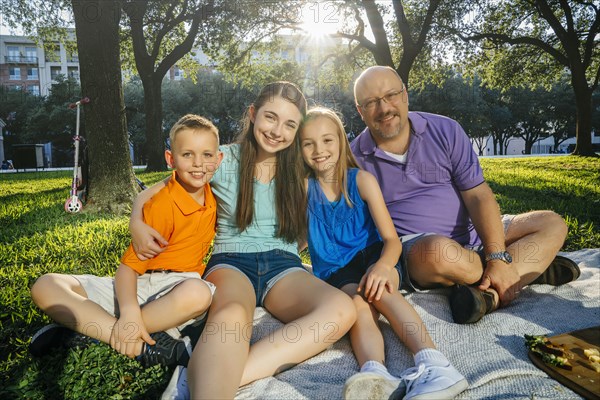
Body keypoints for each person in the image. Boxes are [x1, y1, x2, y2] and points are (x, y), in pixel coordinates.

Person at [129, 82, 356, 399]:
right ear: (253, 114)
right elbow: (153, 193)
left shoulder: (301, 170)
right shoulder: (222, 160)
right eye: (270, 118)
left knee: (342, 309)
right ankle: (211, 385)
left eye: (290, 124)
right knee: (232, 316)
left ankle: (211, 373)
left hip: (284, 266)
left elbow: (312, 225)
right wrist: (137, 223)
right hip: (231, 262)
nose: (277, 130)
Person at [350, 66, 580, 324]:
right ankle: (528, 270)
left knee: (552, 223)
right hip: (419, 251)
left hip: (473, 237)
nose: (384, 108)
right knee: (438, 252)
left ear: (405, 95)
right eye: (371, 102)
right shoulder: (353, 160)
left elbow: (478, 196)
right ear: (361, 111)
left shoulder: (445, 130)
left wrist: (495, 255)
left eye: (391, 95)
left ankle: (489, 295)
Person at [299, 107, 468, 400]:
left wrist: (384, 267)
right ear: (298, 149)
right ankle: (375, 374)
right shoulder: (303, 189)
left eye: (327, 140)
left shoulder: (361, 181)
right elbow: (300, 237)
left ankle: (435, 363)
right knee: (357, 305)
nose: (319, 150)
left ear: (340, 141)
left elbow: (392, 240)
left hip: (374, 257)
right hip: (335, 272)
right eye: (308, 143)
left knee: (380, 292)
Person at [29, 114, 223, 367]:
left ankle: (92, 331)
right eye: (187, 155)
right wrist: (130, 312)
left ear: (218, 159)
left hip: (178, 286)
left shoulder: (214, 193)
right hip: (137, 284)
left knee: (198, 294)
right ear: (171, 159)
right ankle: (143, 344)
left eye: (207, 155)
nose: (198, 163)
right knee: (45, 286)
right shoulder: (162, 205)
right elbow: (127, 271)